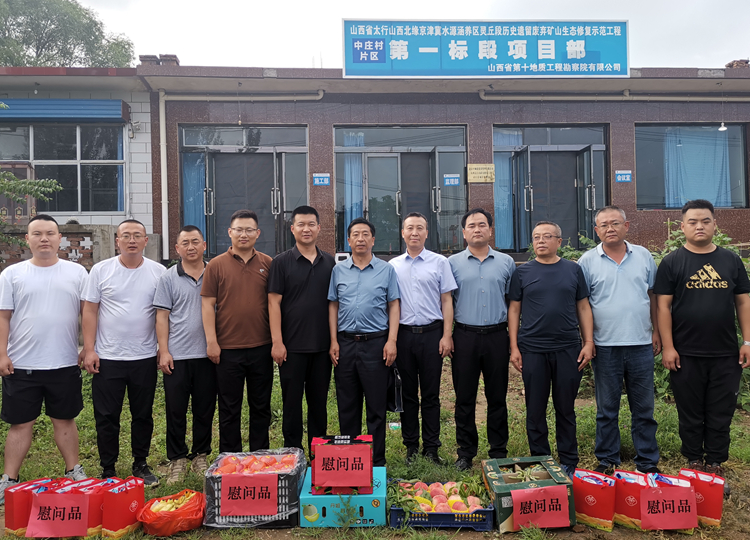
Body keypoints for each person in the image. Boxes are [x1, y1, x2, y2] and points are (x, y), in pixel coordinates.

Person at [655, 199, 750, 495]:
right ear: (682, 226)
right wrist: (668, 347)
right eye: (693, 222)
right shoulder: (672, 262)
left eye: (705, 221)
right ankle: (694, 461)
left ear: (715, 225)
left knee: (721, 411)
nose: (700, 226)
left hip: (725, 353)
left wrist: (747, 341)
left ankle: (716, 463)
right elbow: (662, 306)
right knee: (690, 412)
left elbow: (743, 301)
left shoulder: (731, 260)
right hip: (685, 354)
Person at [0, 215, 89, 503]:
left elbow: (88, 314)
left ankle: (74, 470)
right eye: (37, 233)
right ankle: (9, 479)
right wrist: (2, 354)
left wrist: (88, 347)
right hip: (22, 364)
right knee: (20, 424)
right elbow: (3, 317)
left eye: (50, 233)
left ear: (59, 238)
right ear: (27, 239)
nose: (44, 238)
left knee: (64, 420)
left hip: (63, 362)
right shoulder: (12, 274)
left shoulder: (77, 273)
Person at [508, 221, 595, 478]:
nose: (541, 241)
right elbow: (514, 310)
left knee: (565, 407)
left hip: (568, 348)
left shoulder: (573, 270)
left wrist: (588, 342)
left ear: (559, 241)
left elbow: (583, 307)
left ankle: (568, 460)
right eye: (536, 237)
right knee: (535, 408)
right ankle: (540, 460)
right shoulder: (522, 272)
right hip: (532, 349)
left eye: (547, 236)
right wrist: (514, 346)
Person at [578, 206, 661, 475]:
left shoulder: (643, 256)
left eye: (615, 223)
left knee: (644, 407)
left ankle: (647, 461)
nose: (609, 228)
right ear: (596, 230)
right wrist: (588, 340)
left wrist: (656, 331)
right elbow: (583, 304)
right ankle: (607, 459)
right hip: (605, 345)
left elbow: (653, 296)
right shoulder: (587, 261)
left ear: (627, 225)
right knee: (606, 408)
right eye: (604, 225)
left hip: (640, 343)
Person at [82, 219, 165, 486]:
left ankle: (140, 463)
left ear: (145, 241)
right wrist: (89, 349)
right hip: (108, 357)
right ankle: (108, 469)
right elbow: (90, 310)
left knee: (143, 414)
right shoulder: (101, 270)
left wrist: (163, 349)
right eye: (126, 236)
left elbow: (163, 314)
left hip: (144, 357)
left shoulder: (158, 272)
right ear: (117, 241)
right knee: (107, 416)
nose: (131, 240)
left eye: (137, 235)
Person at [328, 217, 400, 467]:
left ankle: (377, 462)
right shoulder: (338, 271)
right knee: (347, 405)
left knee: (376, 407)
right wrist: (333, 340)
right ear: (348, 240)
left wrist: (392, 340)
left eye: (365, 234)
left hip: (376, 344)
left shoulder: (386, 270)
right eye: (356, 234)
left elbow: (394, 305)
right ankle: (351, 462)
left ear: (373, 239)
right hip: (345, 344)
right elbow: (333, 305)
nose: (360, 238)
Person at [448, 208, 515, 471]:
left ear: (490, 230)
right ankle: (465, 453)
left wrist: (512, 342)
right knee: (464, 398)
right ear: (464, 232)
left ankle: (498, 451)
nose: (477, 229)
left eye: (482, 225)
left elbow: (512, 303)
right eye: (472, 225)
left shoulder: (506, 262)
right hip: (464, 336)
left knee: (497, 397)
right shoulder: (452, 263)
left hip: (497, 336)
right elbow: (447, 302)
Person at [202, 209, 273, 453]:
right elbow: (207, 305)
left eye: (249, 230)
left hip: (261, 347)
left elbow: (274, 303)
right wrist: (212, 341)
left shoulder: (267, 263)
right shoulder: (216, 265)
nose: (244, 234)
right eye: (239, 230)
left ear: (258, 233)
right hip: (227, 349)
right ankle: (230, 458)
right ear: (230, 232)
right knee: (229, 408)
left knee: (261, 406)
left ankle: (260, 455)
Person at [390, 212, 457, 464]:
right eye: (410, 228)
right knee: (407, 394)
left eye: (420, 228)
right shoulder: (393, 266)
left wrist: (447, 335)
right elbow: (391, 304)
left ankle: (431, 448)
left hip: (432, 335)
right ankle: (411, 447)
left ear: (427, 233)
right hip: (404, 335)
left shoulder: (440, 262)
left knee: (431, 394)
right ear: (403, 233)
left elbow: (446, 300)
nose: (415, 232)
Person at [268, 206, 335, 454]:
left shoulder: (330, 262)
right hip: (291, 348)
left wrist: (334, 342)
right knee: (291, 405)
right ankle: (292, 455)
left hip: (322, 347)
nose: (306, 229)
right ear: (292, 228)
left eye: (311, 224)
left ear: (319, 228)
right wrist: (277, 342)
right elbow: (273, 303)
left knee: (319, 405)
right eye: (301, 224)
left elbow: (334, 304)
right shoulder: (281, 262)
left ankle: (319, 456)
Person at [154, 225, 216, 484]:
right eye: (185, 243)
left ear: (204, 245)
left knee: (205, 408)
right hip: (177, 355)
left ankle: (201, 454)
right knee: (176, 409)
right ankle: (177, 458)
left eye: (195, 242)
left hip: (208, 355)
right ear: (177, 248)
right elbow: (162, 316)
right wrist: (164, 351)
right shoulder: (168, 277)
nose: (191, 247)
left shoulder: (215, 272)